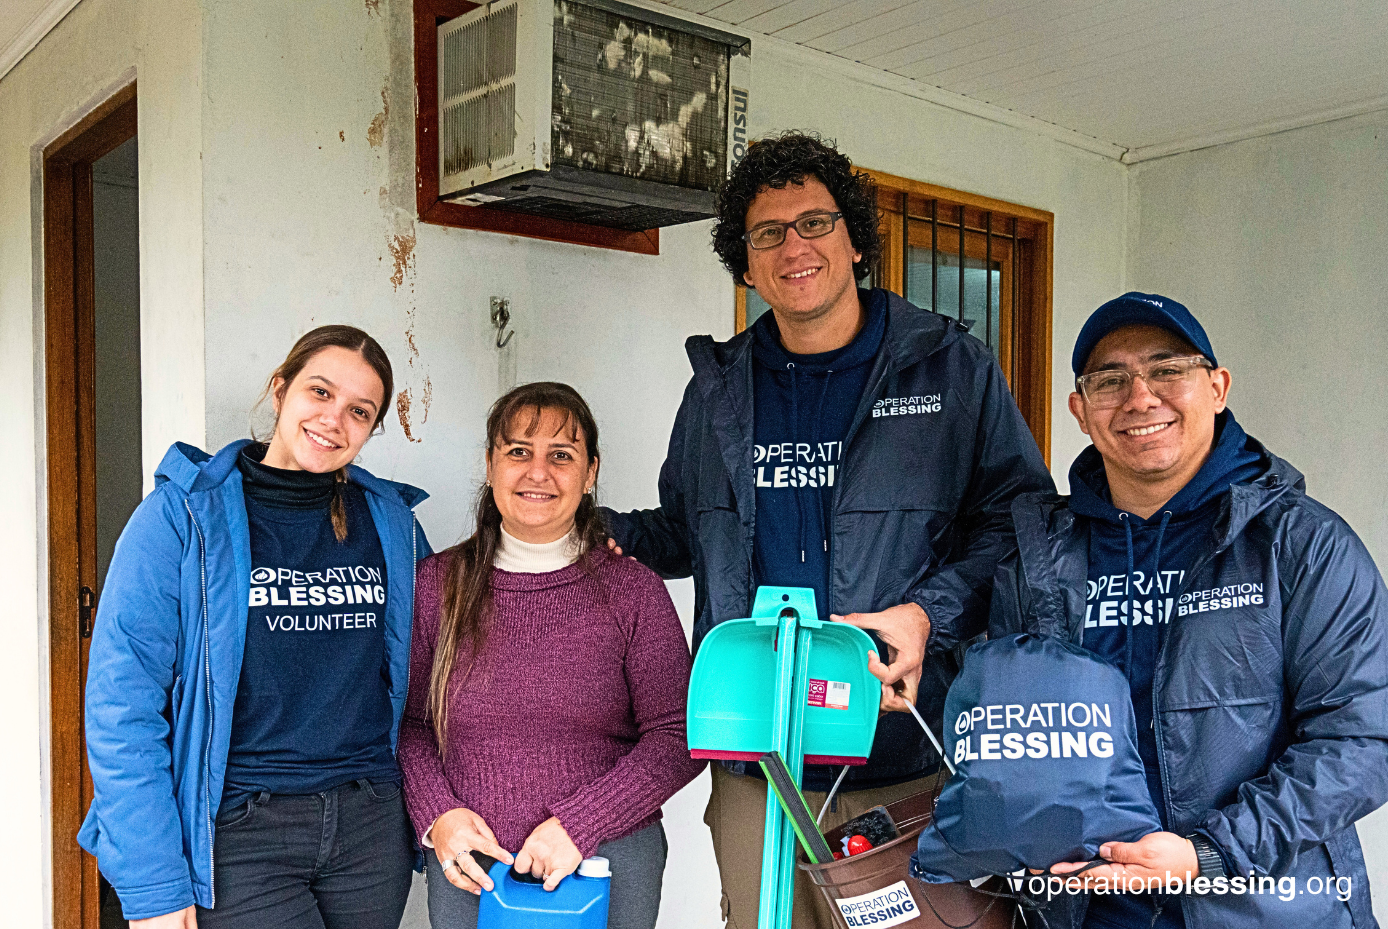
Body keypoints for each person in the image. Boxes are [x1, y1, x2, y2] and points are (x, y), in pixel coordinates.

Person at [602, 132, 1054, 928]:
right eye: (767, 233)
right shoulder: (717, 391)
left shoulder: (950, 368)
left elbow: (1021, 525)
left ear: (855, 239)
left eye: (814, 222)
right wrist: (584, 528)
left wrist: (928, 615)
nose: (793, 246)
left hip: (901, 758)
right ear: (745, 263)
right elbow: (684, 531)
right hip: (757, 767)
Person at [990, 293, 1388, 928]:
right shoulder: (1039, 559)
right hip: (1084, 913)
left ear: (1218, 387)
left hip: (1263, 909)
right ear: (1081, 411)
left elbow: (1364, 737)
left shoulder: (1299, 544)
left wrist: (1209, 855)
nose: (1140, 397)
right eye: (1109, 381)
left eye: (1167, 369)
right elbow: (1009, 730)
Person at [79, 325, 432, 929]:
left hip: (370, 829)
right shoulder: (183, 516)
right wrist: (154, 884)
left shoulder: (391, 524)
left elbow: (440, 670)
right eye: (319, 392)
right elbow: (122, 704)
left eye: (358, 411)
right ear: (280, 390)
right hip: (241, 831)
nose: (333, 419)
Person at [398, 381, 705, 929]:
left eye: (560, 456)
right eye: (518, 451)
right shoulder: (434, 586)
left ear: (590, 473)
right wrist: (437, 817)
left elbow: (680, 734)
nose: (537, 473)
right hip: (474, 867)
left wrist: (579, 825)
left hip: (606, 864)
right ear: (491, 464)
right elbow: (409, 724)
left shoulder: (632, 590)